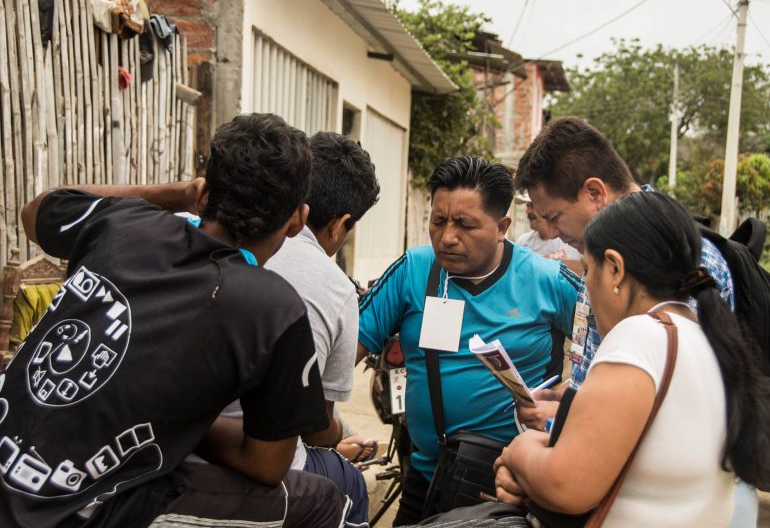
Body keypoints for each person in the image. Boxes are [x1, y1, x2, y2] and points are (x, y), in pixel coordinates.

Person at [0, 113, 351, 527]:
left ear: (204, 195)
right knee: (324, 500)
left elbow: (35, 211)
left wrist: (179, 194)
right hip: (74, 513)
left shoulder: (123, 224)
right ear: (297, 219)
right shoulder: (274, 308)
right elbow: (266, 464)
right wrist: (175, 421)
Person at [512, 116, 758, 525]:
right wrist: (569, 400)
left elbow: (666, 421)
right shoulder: (625, 270)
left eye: (554, 217)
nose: (552, 233)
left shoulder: (651, 315)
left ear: (594, 192)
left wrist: (528, 454)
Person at [356, 157, 579, 526]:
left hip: (513, 488)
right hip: (426, 479)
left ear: (502, 227)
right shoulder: (412, 269)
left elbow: (612, 351)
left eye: (465, 224)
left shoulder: (549, 280)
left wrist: (569, 404)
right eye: (438, 221)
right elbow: (348, 346)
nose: (447, 237)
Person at [220, 131, 380, 525]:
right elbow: (313, 428)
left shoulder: (190, 237)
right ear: (340, 224)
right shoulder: (329, 288)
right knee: (349, 485)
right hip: (261, 466)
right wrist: (339, 435)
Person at [513, 192, 581, 274]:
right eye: (527, 206)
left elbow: (584, 271)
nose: (527, 211)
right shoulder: (524, 242)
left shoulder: (570, 236)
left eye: (532, 205)